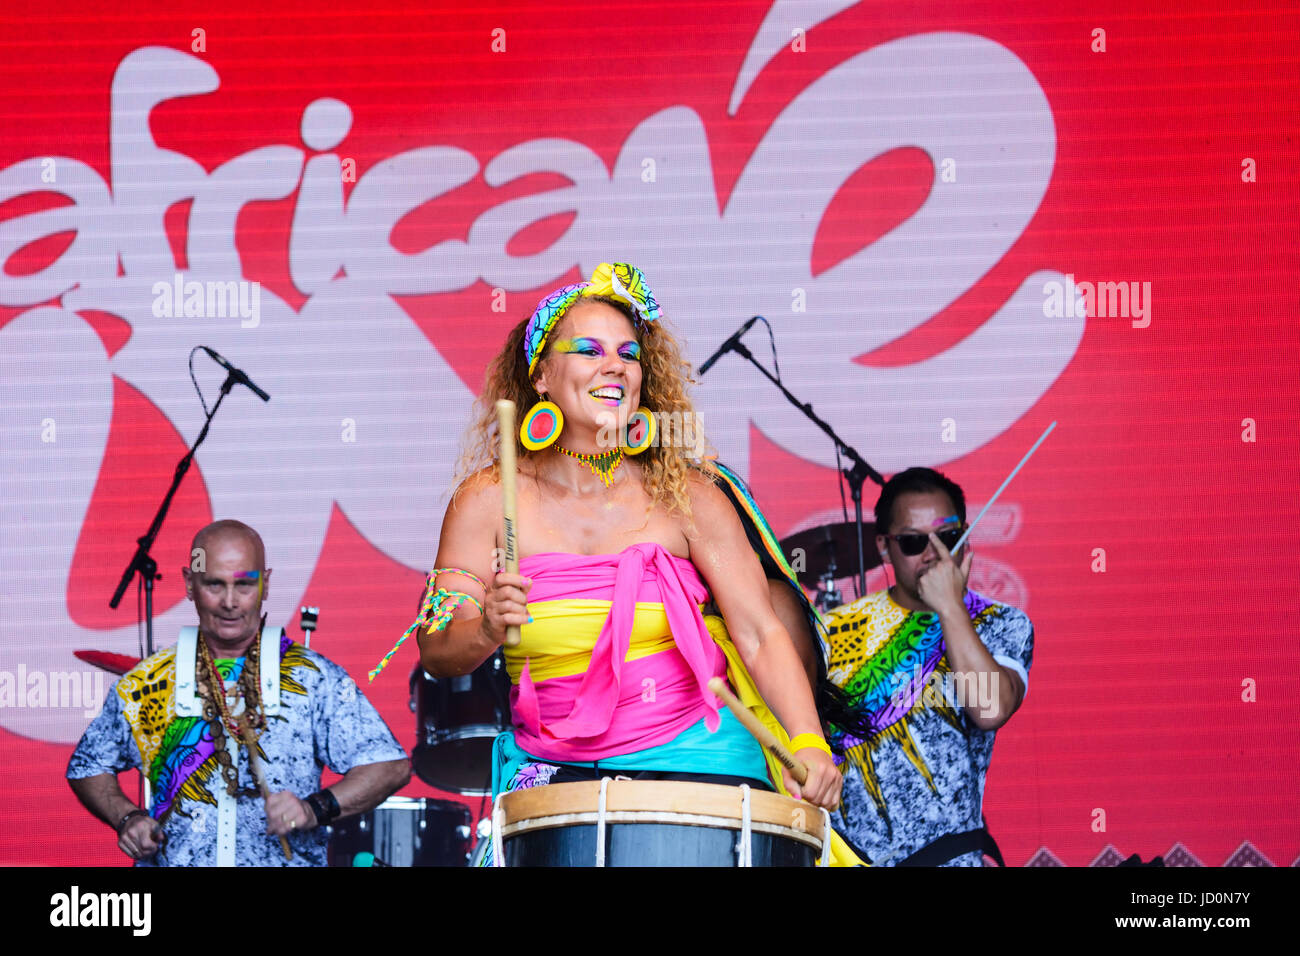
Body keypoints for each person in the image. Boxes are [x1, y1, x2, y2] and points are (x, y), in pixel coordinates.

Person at [412, 263, 841, 848]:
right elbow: (438, 648)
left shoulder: (690, 496)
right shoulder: (488, 500)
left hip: (700, 759)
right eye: (588, 350)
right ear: (542, 376)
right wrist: (485, 627)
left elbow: (761, 632)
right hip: (553, 771)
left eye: (629, 354)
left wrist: (809, 742)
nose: (615, 365)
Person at [68, 520, 410, 866]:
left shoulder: (312, 677)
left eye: (245, 584)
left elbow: (389, 766)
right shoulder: (146, 683)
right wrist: (127, 818)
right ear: (189, 584)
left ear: (265, 584)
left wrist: (313, 808)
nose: (230, 601)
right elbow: (87, 765)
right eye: (214, 584)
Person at [823, 467, 1033, 866]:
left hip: (950, 857)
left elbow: (989, 709)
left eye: (949, 537)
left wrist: (950, 606)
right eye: (913, 541)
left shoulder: (999, 623)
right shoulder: (834, 629)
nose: (934, 553)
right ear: (884, 547)